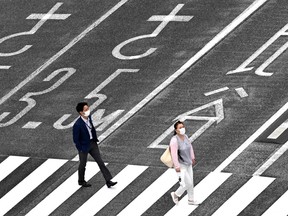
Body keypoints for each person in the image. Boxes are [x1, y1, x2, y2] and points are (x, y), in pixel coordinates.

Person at [73, 102, 117, 188]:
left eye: (88, 108)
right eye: (86, 110)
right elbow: (76, 140)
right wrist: (80, 149)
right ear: (81, 112)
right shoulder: (77, 125)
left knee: (100, 162)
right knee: (83, 164)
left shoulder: (88, 118)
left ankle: (108, 180)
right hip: (83, 146)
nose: (88, 111)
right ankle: (81, 181)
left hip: (92, 143)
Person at [170, 121, 199, 205]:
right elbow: (174, 154)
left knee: (191, 182)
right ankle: (175, 194)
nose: (182, 129)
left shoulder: (185, 136)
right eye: (180, 127)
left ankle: (191, 200)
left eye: (183, 127)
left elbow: (190, 147)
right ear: (176, 130)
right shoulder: (174, 140)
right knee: (188, 183)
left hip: (188, 162)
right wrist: (177, 166)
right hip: (181, 164)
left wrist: (192, 157)